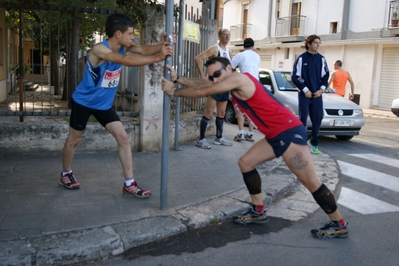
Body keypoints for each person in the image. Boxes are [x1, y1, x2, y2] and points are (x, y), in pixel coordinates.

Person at [162, 57, 348, 239]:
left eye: (217, 74)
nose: (215, 79)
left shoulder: (239, 78)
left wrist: (174, 91)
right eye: (212, 76)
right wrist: (179, 79)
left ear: (229, 68)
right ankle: (258, 211)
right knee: (246, 162)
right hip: (276, 135)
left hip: (288, 132)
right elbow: (206, 82)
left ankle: (338, 224)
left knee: (311, 182)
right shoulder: (229, 80)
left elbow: (206, 89)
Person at [60, 13, 173, 199]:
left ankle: (129, 184)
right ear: (118, 34)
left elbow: (144, 49)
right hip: (83, 102)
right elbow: (125, 61)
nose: (133, 37)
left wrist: (164, 46)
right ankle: (65, 173)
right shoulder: (99, 50)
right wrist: (157, 58)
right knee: (74, 140)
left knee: (123, 137)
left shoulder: (124, 45)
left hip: (103, 105)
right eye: (130, 34)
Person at [192, 28, 232, 149]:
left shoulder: (229, 51)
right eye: (225, 34)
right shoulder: (215, 49)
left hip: (224, 86)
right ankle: (201, 139)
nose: (227, 36)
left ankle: (218, 137)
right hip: (214, 85)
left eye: (229, 34)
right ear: (219, 36)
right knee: (209, 112)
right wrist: (203, 77)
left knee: (221, 112)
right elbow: (197, 58)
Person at [292, 35, 329, 155]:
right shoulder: (301, 59)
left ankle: (314, 142)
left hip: (317, 95)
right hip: (305, 95)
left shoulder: (321, 59)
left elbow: (325, 77)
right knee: (302, 119)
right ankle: (301, 144)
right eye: (315, 43)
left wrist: (321, 90)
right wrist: (305, 90)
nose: (318, 45)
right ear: (309, 44)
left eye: (319, 43)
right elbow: (295, 77)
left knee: (317, 118)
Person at [230, 38, 260, 142]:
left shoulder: (240, 55)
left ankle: (241, 133)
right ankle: (251, 134)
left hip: (244, 83)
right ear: (253, 46)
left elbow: (230, 67)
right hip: (255, 85)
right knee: (251, 109)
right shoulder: (257, 56)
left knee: (241, 108)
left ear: (244, 46)